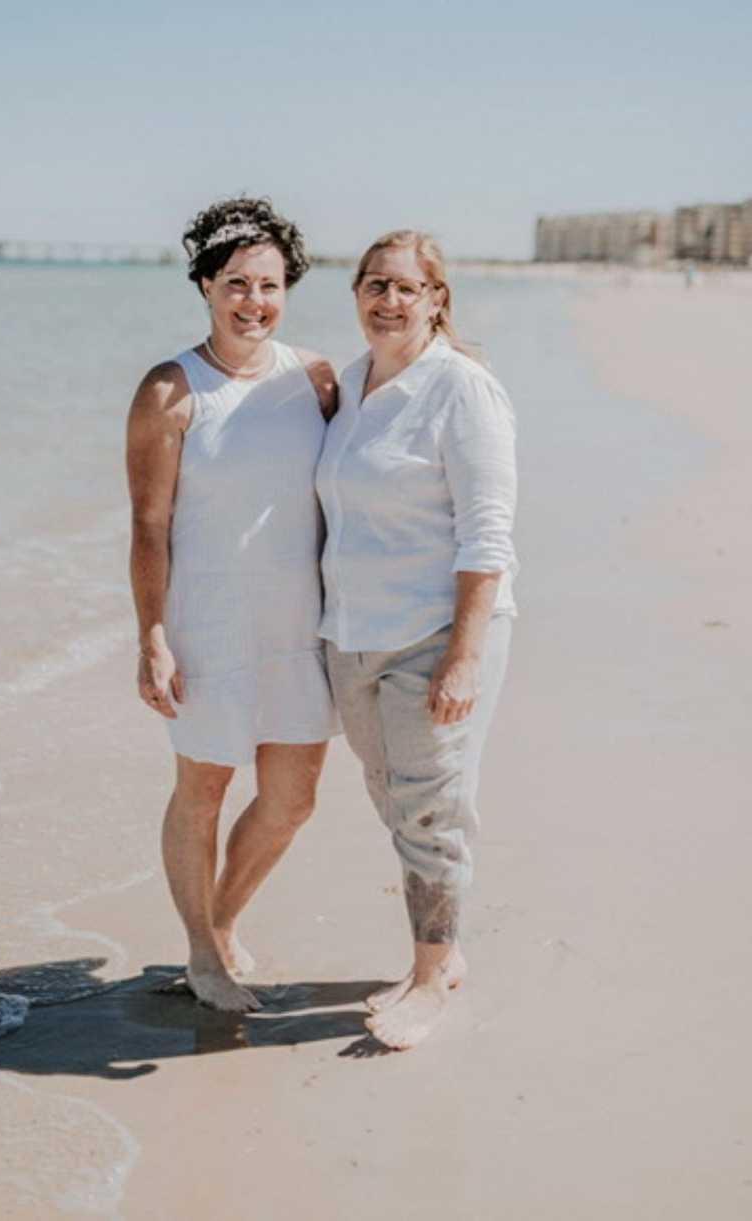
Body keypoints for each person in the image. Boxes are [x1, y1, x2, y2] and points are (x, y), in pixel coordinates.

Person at [126, 197, 338, 1012]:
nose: (256, 301)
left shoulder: (316, 379)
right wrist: (152, 635)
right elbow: (149, 525)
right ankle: (204, 954)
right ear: (207, 286)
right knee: (204, 790)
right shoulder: (171, 391)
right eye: (238, 284)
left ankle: (219, 920)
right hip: (208, 624)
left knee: (292, 799)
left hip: (300, 626)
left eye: (271, 285)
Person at [316, 230, 518, 1049]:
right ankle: (444, 950)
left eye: (406, 288)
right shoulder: (349, 385)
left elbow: (487, 536)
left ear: (438, 299)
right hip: (351, 635)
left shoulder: (463, 391)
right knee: (391, 797)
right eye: (374, 285)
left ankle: (431, 978)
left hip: (434, 635)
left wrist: (463, 656)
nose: (388, 301)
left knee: (430, 811)